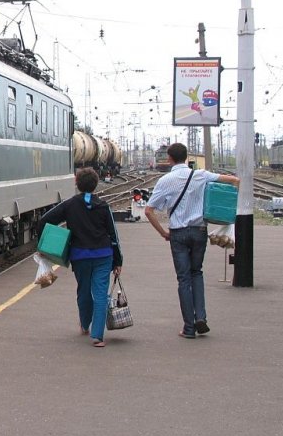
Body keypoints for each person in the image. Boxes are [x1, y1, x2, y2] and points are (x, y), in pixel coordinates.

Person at [144, 143, 240, 339]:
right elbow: (234, 180)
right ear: (187, 157)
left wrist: (163, 232)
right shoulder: (201, 175)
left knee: (183, 278)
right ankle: (201, 317)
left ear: (170, 158)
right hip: (199, 231)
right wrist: (229, 209)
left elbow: (149, 210)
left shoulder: (165, 180)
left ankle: (189, 328)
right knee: (197, 273)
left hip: (178, 233)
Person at [36, 167, 123, 347]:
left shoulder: (69, 205)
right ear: (96, 184)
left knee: (83, 290)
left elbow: (44, 220)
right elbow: (113, 236)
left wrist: (44, 244)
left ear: (76, 183)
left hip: (80, 256)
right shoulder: (104, 206)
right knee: (100, 294)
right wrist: (118, 261)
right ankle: (97, 336)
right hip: (103, 255)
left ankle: (84, 325)